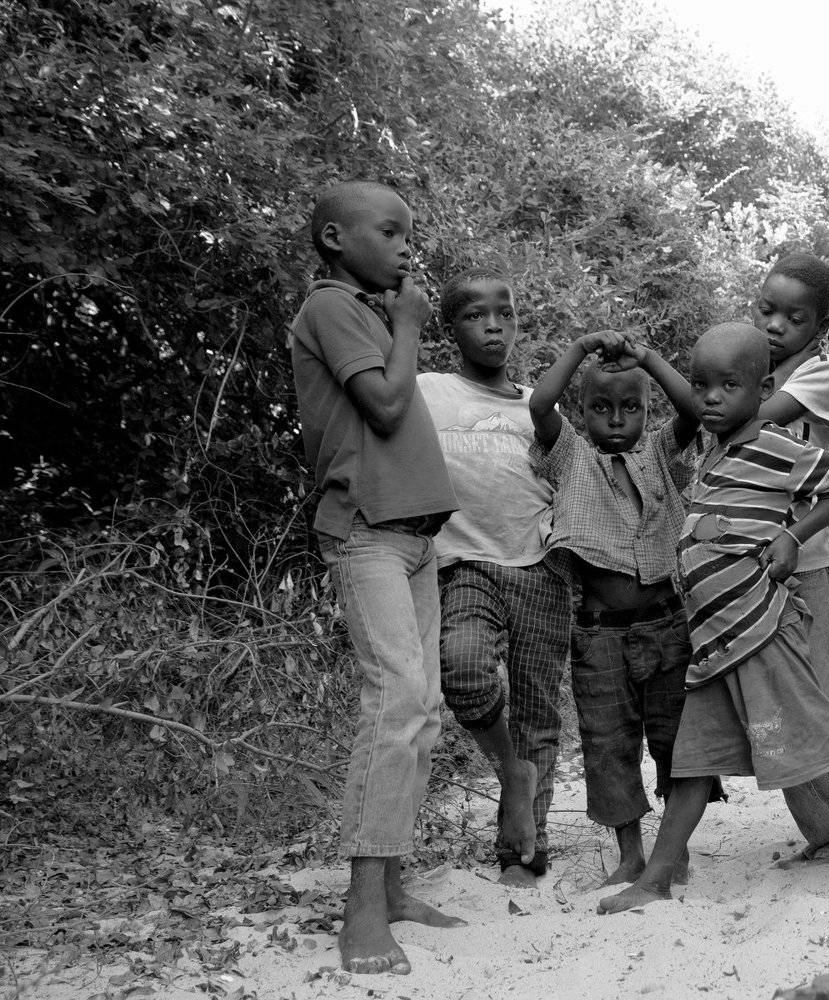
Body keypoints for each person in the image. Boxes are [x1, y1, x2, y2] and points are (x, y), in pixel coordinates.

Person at [597, 323, 829, 914]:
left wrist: (794, 535)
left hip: (762, 631)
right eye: (702, 386)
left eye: (728, 386)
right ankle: (657, 878)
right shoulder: (717, 446)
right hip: (716, 642)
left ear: (762, 390)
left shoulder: (773, 444)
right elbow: (699, 403)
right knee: (693, 764)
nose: (710, 398)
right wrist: (650, 358)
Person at [289, 180, 464, 975]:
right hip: (366, 535)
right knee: (395, 702)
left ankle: (391, 889)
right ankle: (361, 913)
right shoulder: (331, 307)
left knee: (421, 712)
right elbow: (387, 406)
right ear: (335, 238)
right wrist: (410, 324)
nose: (404, 246)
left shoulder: (367, 311)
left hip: (414, 539)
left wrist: (397, 322)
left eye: (407, 233)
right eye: (389, 231)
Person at [528, 329, 717, 886]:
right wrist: (580, 348)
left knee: (676, 739)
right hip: (599, 637)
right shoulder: (570, 457)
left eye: (631, 407)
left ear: (647, 411)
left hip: (667, 628)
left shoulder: (660, 453)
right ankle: (631, 855)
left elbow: (694, 409)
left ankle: (672, 850)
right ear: (582, 411)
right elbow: (539, 405)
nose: (616, 419)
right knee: (608, 746)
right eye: (601, 407)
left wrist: (648, 358)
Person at [417, 266, 570, 886]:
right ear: (450, 328)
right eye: (476, 315)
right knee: (463, 669)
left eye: (505, 313)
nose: (494, 326)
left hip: (540, 567)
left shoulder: (539, 404)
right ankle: (512, 770)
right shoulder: (427, 391)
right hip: (463, 564)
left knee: (538, 708)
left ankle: (523, 853)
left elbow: (571, 478)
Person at [751, 253, 829, 869]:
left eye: (794, 318)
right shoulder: (748, 373)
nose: (776, 326)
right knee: (783, 703)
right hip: (756, 565)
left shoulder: (823, 372)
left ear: (820, 327)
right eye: (766, 311)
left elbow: (748, 422)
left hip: (815, 560)